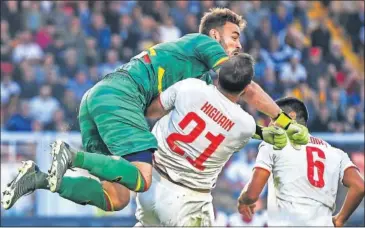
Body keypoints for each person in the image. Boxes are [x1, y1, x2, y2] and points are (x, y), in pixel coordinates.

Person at [2, 8, 308, 212]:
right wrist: (281, 119)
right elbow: (247, 87)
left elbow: (218, 112)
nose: (238, 45)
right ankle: (71, 156)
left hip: (101, 98)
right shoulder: (204, 44)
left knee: (116, 198)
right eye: (234, 36)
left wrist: (260, 132)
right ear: (215, 36)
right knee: (143, 178)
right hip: (123, 96)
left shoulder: (198, 80)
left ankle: (41, 179)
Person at [135, 53, 287, 226]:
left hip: (151, 183)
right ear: (245, 89)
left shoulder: (190, 86)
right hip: (189, 200)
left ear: (219, 73)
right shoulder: (245, 124)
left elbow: (152, 111)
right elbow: (229, 124)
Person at [237, 97, 365, 226]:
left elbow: (252, 194)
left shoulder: (274, 144)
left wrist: (243, 200)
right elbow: (360, 186)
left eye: (274, 119)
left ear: (291, 116)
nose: (270, 125)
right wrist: (340, 219)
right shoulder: (335, 152)